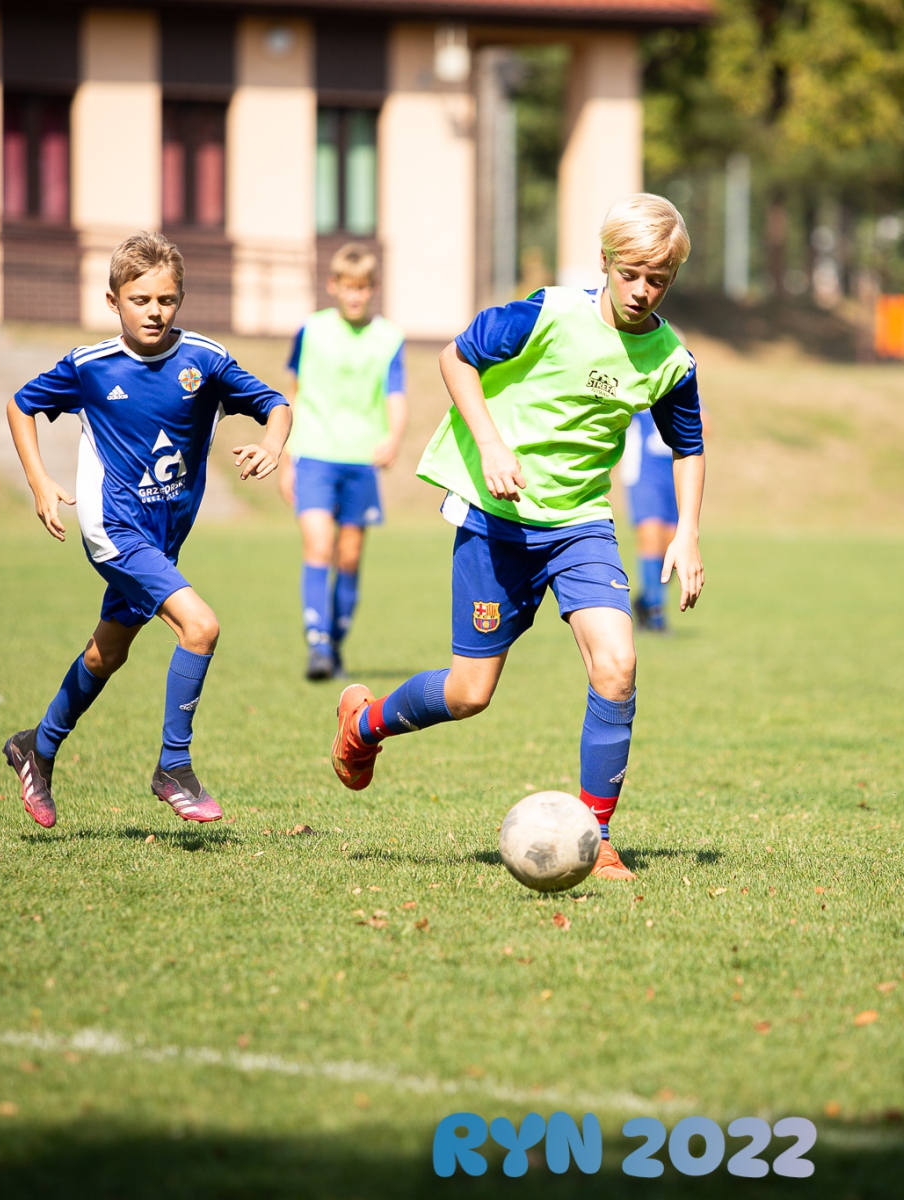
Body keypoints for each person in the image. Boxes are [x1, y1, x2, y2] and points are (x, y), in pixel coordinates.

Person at [328, 194, 706, 882]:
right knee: (470, 693)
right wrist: (492, 445)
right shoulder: (547, 314)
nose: (642, 291)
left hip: (580, 525)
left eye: (658, 280)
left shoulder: (670, 359)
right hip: (495, 521)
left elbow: (689, 446)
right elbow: (456, 359)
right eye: (631, 274)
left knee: (617, 664)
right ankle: (365, 723)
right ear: (605, 262)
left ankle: (598, 835)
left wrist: (688, 533)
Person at [2, 232, 291, 829]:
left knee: (107, 652)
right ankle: (174, 767)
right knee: (200, 626)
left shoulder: (205, 361)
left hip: (163, 537)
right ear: (114, 302)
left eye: (165, 299)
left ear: (180, 299)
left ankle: (37, 746)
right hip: (113, 528)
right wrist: (39, 482)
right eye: (140, 300)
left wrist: (272, 443)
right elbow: (20, 405)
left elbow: (277, 404)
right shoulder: (90, 367)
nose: (154, 311)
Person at [278, 244, 407, 680]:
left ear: (374, 288)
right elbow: (292, 393)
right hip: (313, 454)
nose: (355, 295)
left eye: (363, 288)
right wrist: (285, 458)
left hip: (360, 459)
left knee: (349, 557)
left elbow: (396, 393)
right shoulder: (311, 330)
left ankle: (334, 644)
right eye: (348, 287)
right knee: (319, 546)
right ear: (333, 285)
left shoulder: (389, 338)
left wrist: (394, 437)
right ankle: (317, 645)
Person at [621, 404, 709, 632]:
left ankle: (646, 600)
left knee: (674, 544)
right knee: (651, 538)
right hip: (644, 475)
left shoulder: (679, 388)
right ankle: (655, 611)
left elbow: (705, 426)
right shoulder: (637, 391)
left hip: (674, 474)